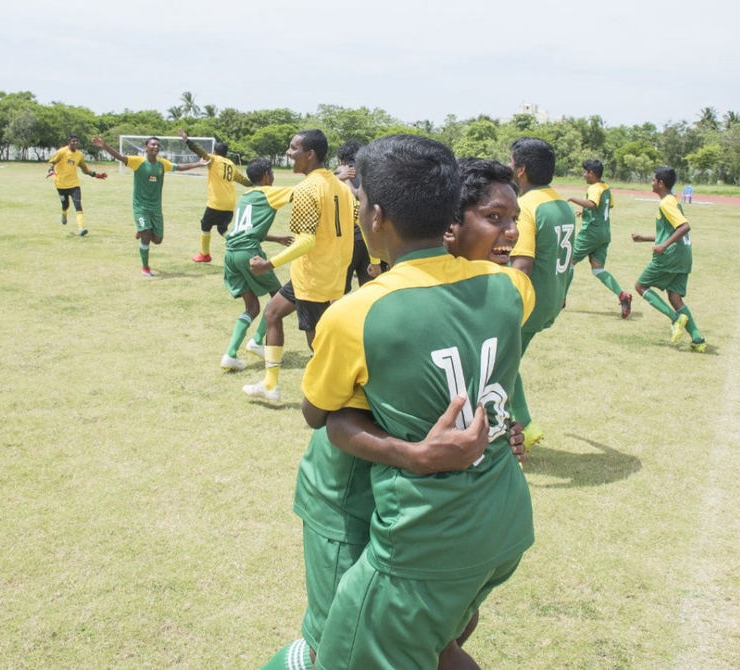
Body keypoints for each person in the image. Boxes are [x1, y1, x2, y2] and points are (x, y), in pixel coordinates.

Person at [262, 157, 527, 670]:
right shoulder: (499, 291)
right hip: (359, 497)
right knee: (423, 644)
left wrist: (501, 425)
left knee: (336, 651)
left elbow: (317, 411)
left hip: (408, 520)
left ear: (379, 215)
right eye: (493, 218)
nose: (509, 234)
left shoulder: (487, 295)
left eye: (509, 220)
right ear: (448, 222)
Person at [242, 129, 354, 402]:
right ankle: (270, 384)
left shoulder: (306, 189)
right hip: (330, 274)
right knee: (272, 313)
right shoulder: (342, 187)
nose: (288, 154)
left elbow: (305, 241)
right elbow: (353, 229)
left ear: (310, 154)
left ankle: (332, 399)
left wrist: (269, 263)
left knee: (317, 345)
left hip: (312, 277)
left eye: (293, 149)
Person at [508, 137, 576, 448]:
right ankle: (523, 422)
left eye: (511, 163)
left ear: (520, 170)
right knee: (509, 361)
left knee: (502, 363)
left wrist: (505, 307)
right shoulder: (563, 204)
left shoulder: (525, 206)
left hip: (529, 302)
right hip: (551, 299)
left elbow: (522, 265)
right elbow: (570, 261)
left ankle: (525, 426)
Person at [219, 158, 294, 371]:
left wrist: (276, 238)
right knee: (280, 296)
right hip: (248, 254)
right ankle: (257, 341)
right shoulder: (269, 192)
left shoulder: (246, 195)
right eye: (271, 172)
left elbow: (246, 229)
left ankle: (230, 355)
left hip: (231, 254)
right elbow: (303, 191)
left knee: (251, 307)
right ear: (266, 176)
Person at [91, 135, 203, 276]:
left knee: (158, 240)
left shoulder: (162, 164)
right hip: (141, 207)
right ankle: (145, 267)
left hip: (156, 208)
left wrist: (198, 163)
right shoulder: (138, 162)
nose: (155, 147)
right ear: (146, 147)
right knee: (146, 235)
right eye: (153, 145)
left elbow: (179, 167)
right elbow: (120, 157)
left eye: (157, 145)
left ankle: (142, 229)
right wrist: (104, 145)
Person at [631, 166, 707, 352]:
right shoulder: (672, 201)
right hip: (684, 256)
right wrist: (644, 239)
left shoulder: (666, 203)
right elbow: (671, 231)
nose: (651, 182)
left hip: (670, 256)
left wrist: (663, 246)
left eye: (653, 179)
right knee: (675, 296)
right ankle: (697, 339)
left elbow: (684, 227)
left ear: (661, 183)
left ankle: (675, 319)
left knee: (640, 286)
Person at [566, 159, 632, 318]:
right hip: (604, 233)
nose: (584, 175)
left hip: (591, 233)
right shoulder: (606, 188)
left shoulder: (595, 188)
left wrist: (573, 199)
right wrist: (585, 213)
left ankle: (560, 299)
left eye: (585, 172)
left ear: (592, 173)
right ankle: (622, 295)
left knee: (568, 263)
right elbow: (605, 207)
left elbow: (592, 204)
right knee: (598, 269)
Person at [178, 129, 252, 262]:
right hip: (230, 204)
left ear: (215, 151)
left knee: (205, 225)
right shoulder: (231, 164)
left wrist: (186, 140)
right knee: (222, 229)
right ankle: (241, 244)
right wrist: (255, 183)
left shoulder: (213, 159)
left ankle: (205, 254)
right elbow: (243, 181)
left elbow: (199, 151)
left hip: (217, 202)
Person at [335, 140, 382, 293]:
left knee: (338, 291)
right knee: (371, 288)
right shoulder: (371, 173)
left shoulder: (338, 174)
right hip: (371, 237)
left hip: (345, 240)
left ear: (342, 160)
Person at [46, 135, 107, 235]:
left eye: (76, 142)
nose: (75, 143)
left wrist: (96, 175)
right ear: (68, 142)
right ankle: (64, 213)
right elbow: (52, 162)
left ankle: (80, 228)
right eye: (73, 141)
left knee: (78, 205)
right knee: (65, 205)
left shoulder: (79, 155)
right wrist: (51, 170)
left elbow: (84, 169)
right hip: (61, 184)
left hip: (74, 185)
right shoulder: (62, 152)